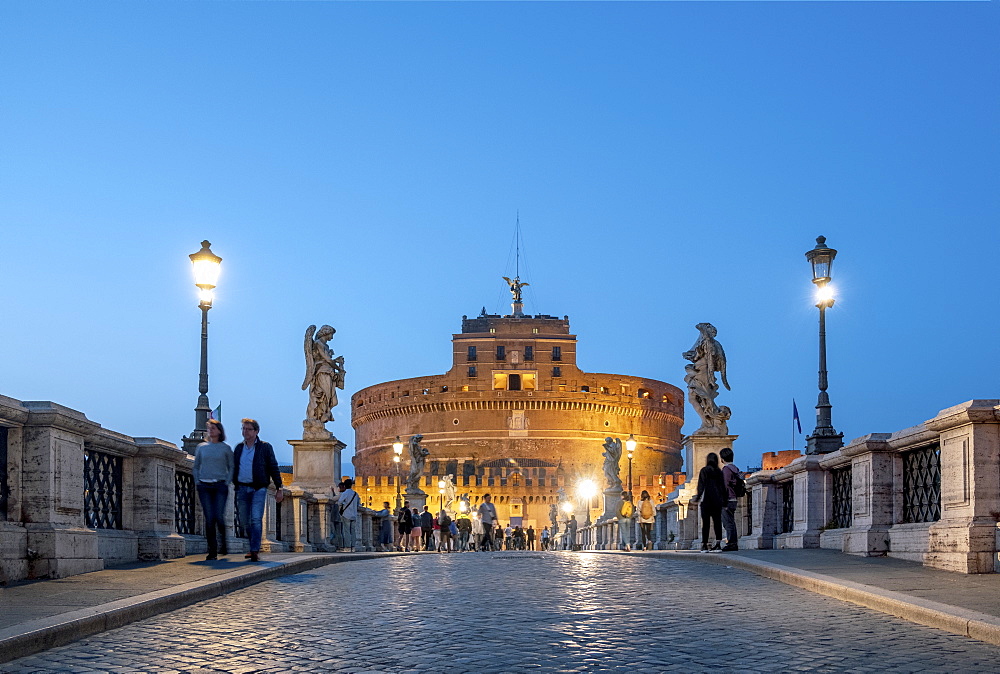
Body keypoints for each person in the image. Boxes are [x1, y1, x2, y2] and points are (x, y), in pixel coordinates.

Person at [233, 418, 284, 562]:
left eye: (248, 429)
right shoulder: (238, 448)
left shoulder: (264, 447)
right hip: (242, 488)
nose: (245, 432)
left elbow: (273, 467)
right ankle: (252, 546)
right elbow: (233, 467)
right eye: (243, 429)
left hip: (258, 489)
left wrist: (279, 488)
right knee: (244, 521)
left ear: (256, 431)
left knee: (255, 518)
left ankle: (254, 549)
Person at [192, 419, 233, 561]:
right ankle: (212, 550)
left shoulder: (225, 448)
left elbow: (231, 466)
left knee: (218, 517)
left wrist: (227, 481)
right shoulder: (201, 448)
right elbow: (196, 466)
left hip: (220, 485)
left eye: (213, 428)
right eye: (209, 428)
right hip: (204, 486)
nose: (211, 431)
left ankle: (224, 543)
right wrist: (198, 481)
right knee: (209, 518)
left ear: (219, 431)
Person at [693, 452, 726, 552]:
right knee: (717, 522)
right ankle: (718, 544)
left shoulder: (704, 470)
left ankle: (704, 545)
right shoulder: (719, 471)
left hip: (706, 500)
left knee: (706, 524)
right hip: (717, 501)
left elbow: (701, 486)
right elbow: (722, 488)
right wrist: (724, 502)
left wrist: (698, 497)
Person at [720, 447, 741, 552]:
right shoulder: (735, 469)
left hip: (727, 499)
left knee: (727, 523)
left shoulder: (726, 470)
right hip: (733, 499)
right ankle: (733, 542)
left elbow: (724, 485)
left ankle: (732, 543)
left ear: (722, 459)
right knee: (731, 522)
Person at [332, 478, 360, 551]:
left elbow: (339, 502)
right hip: (354, 515)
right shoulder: (355, 494)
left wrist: (344, 505)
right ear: (351, 485)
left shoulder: (345, 493)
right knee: (353, 531)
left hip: (346, 514)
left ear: (345, 485)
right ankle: (353, 547)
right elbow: (358, 504)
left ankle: (348, 547)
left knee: (346, 531)